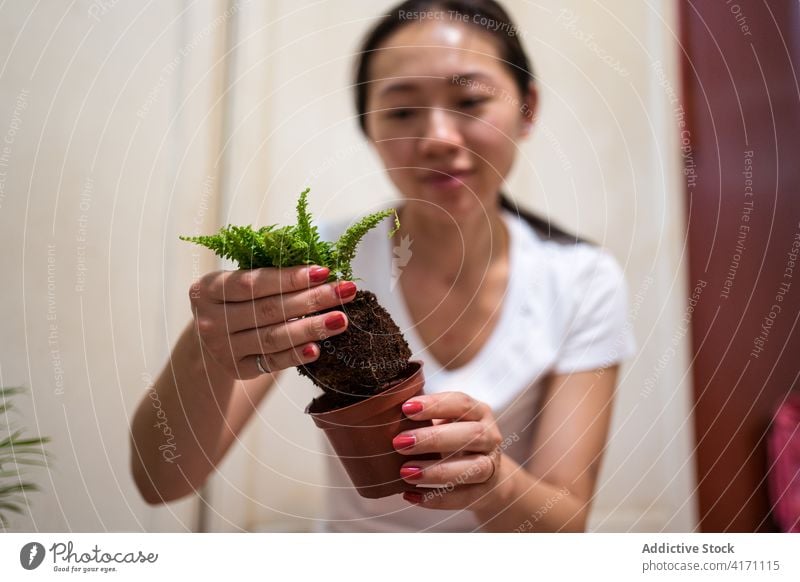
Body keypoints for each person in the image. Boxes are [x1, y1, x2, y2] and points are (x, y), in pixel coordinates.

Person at [130, 0, 635, 532]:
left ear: (527, 108)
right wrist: (205, 351)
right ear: (368, 128)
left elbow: (566, 526)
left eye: (469, 100)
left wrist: (495, 482)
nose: (438, 137)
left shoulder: (581, 280)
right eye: (401, 111)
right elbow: (161, 481)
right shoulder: (322, 263)